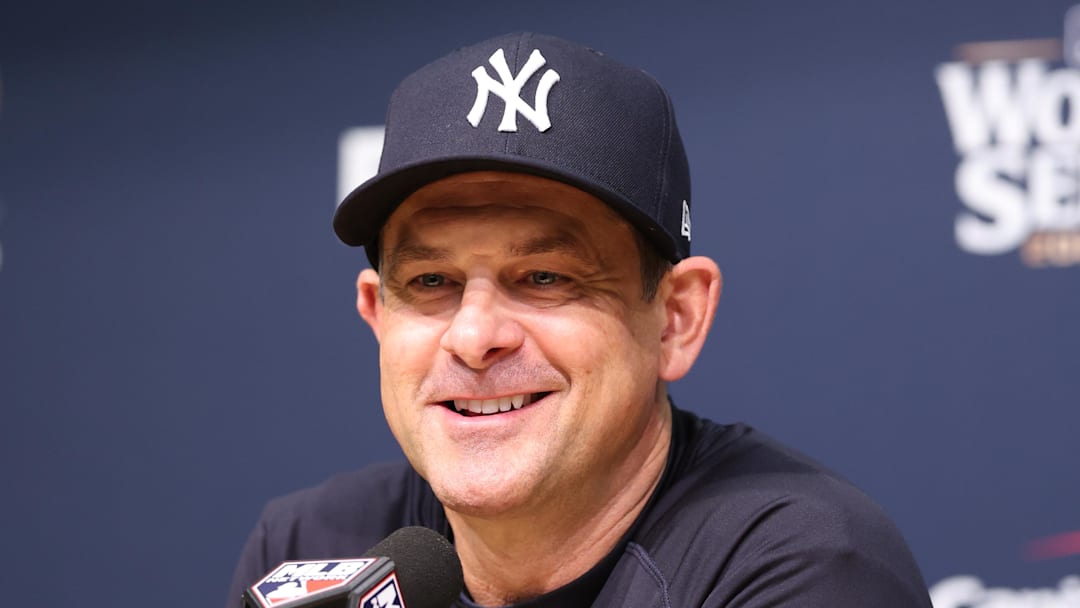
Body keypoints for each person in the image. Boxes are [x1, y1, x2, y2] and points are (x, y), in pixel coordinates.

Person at [227, 32, 933, 607]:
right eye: (431, 281)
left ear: (677, 319)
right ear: (378, 315)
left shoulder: (803, 567)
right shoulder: (310, 548)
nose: (474, 338)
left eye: (545, 278)